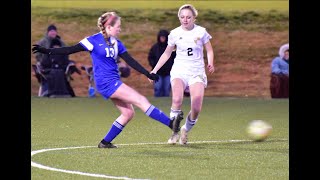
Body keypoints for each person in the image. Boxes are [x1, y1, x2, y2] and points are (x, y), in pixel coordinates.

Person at [32, 11, 183, 148]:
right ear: (108, 27)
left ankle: (105, 142)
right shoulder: (92, 40)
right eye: (118, 26)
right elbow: (69, 49)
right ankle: (172, 124)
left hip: (112, 82)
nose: (120, 29)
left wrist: (147, 73)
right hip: (106, 82)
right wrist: (46, 50)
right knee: (141, 100)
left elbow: (130, 61)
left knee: (128, 113)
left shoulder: (117, 43)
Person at [150, 4, 215, 145]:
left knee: (196, 107)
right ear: (179, 18)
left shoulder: (201, 32)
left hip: (196, 71)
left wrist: (210, 62)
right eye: (182, 17)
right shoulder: (174, 34)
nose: (185, 20)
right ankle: (174, 132)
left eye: (188, 17)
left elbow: (209, 50)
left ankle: (185, 129)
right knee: (177, 100)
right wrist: (154, 70)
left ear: (194, 18)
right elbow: (167, 53)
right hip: (179, 69)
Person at [34, 24, 68, 97]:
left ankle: (62, 92)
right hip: (46, 63)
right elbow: (37, 53)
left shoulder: (60, 42)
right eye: (51, 31)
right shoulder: (42, 42)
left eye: (54, 31)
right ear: (48, 32)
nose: (53, 33)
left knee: (58, 72)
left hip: (59, 64)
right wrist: (41, 61)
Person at [148, 29, 175, 97]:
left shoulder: (171, 48)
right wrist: (154, 65)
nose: (162, 39)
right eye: (161, 37)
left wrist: (171, 67)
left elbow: (175, 58)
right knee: (158, 88)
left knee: (166, 89)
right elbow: (150, 57)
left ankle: (166, 104)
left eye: (164, 37)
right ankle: (157, 103)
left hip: (168, 72)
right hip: (158, 72)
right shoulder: (155, 47)